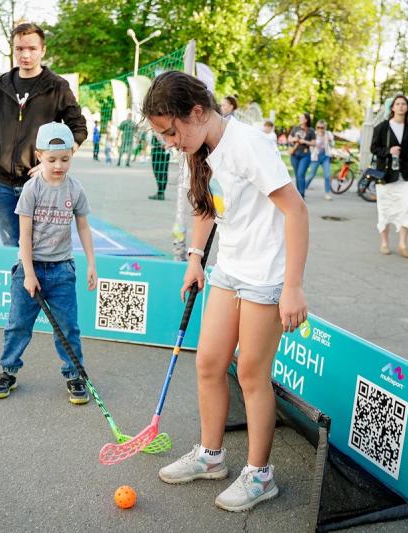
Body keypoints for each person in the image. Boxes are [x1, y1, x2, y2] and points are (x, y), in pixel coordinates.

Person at [142, 71, 309, 512]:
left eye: (171, 131)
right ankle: (211, 457)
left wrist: (291, 287)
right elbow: (207, 206)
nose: (170, 142)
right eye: (163, 135)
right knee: (210, 364)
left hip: (266, 277)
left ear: (197, 112)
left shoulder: (248, 144)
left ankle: (259, 475)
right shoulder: (201, 149)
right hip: (228, 270)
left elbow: (296, 211)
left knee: (252, 375)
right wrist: (196, 257)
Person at [0, 121, 97, 405]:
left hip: (62, 270)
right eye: (51, 160)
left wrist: (91, 264)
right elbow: (23, 235)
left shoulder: (75, 189)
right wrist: (28, 273)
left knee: (68, 327)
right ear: (39, 156)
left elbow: (83, 228)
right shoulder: (32, 189)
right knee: (18, 325)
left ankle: (74, 374)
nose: (58, 165)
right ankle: (8, 371)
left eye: (65, 159)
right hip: (30, 268)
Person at [0, 22, 87, 247]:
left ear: (43, 50)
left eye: (31, 48)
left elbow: (78, 128)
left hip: (40, 183)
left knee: (41, 248)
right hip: (1, 185)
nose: (25, 54)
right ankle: (20, 283)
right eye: (19, 48)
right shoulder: (0, 85)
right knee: (11, 248)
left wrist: (53, 162)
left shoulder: (57, 86)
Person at [371, 93, 408, 258]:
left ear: (407, 108)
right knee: (385, 209)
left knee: (407, 206)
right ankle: (384, 243)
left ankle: (403, 244)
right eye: (397, 104)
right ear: (392, 108)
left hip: (404, 175)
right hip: (386, 175)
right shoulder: (382, 127)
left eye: (403, 104)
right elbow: (374, 148)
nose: (400, 106)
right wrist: (388, 151)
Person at [305, 120, 335, 200]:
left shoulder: (328, 134)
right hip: (316, 157)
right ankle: (302, 188)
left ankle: (327, 193)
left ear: (325, 128)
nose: (320, 129)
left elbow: (333, 145)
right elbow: (310, 146)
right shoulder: (313, 134)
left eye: (322, 127)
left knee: (327, 175)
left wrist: (330, 141)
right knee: (311, 175)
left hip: (325, 156)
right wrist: (312, 153)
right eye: (318, 127)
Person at [288, 112, 315, 198]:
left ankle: (301, 194)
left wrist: (304, 141)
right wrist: (294, 138)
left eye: (301, 118)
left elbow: (314, 143)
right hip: (295, 154)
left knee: (300, 174)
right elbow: (289, 139)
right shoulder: (295, 128)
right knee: (297, 175)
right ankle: (298, 194)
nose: (299, 119)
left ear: (306, 120)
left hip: (305, 155)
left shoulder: (310, 130)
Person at [149, 133, 170, 200]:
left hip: (159, 150)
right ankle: (161, 192)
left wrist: (164, 143)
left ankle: (160, 193)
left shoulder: (157, 125)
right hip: (164, 150)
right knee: (163, 171)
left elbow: (158, 134)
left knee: (158, 172)